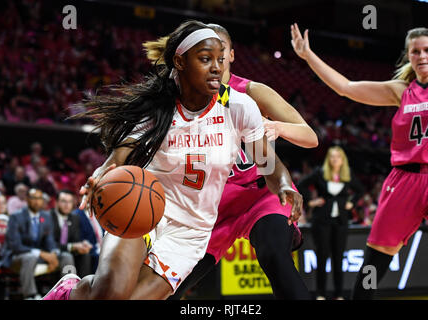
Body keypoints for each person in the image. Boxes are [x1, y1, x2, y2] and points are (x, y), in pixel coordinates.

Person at [43, 20, 301, 300]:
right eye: (205, 59)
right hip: (145, 206)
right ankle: (71, 290)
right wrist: (103, 173)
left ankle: (74, 292)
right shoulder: (158, 107)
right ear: (180, 61)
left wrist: (284, 184)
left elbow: (267, 161)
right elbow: (123, 151)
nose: (217, 67)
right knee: (110, 295)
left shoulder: (239, 107)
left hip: (191, 231)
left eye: (220, 59)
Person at [291, 23, 428, 299]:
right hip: (404, 181)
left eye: (427, 50)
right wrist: (308, 56)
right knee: (373, 266)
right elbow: (346, 88)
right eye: (415, 51)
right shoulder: (400, 91)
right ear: (409, 56)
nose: (422, 56)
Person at [167, 23, 318, 300]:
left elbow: (310, 137)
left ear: (232, 55)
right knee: (168, 287)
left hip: (260, 194)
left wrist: (278, 128)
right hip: (212, 208)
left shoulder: (251, 92)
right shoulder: (182, 98)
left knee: (275, 255)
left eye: (221, 51)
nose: (216, 59)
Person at [297, 146, 364, 300]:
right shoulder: (320, 172)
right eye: (332, 157)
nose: (335, 160)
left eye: (338, 157)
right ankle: (321, 293)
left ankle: (339, 294)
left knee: (338, 258)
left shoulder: (347, 174)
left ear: (342, 160)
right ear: (328, 159)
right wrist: (311, 202)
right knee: (322, 257)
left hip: (341, 221)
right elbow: (301, 184)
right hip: (322, 221)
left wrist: (351, 203)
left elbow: (360, 190)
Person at [0, 188, 60, 299]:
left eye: (39, 198)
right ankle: (30, 295)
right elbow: (15, 245)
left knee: (65, 257)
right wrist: (41, 253)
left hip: (37, 256)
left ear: (43, 201)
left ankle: (64, 292)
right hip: (16, 256)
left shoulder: (46, 216)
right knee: (30, 257)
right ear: (27, 199)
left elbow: (49, 240)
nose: (36, 201)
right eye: (33, 198)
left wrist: (53, 253)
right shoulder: (16, 217)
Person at [50, 190, 93, 277]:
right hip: (53, 250)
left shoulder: (74, 218)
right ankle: (68, 289)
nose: (67, 205)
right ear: (57, 202)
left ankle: (83, 285)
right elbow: (50, 243)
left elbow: (75, 239)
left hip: (67, 250)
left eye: (70, 202)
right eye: (63, 201)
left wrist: (82, 245)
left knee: (85, 254)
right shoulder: (48, 216)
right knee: (67, 256)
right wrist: (72, 246)